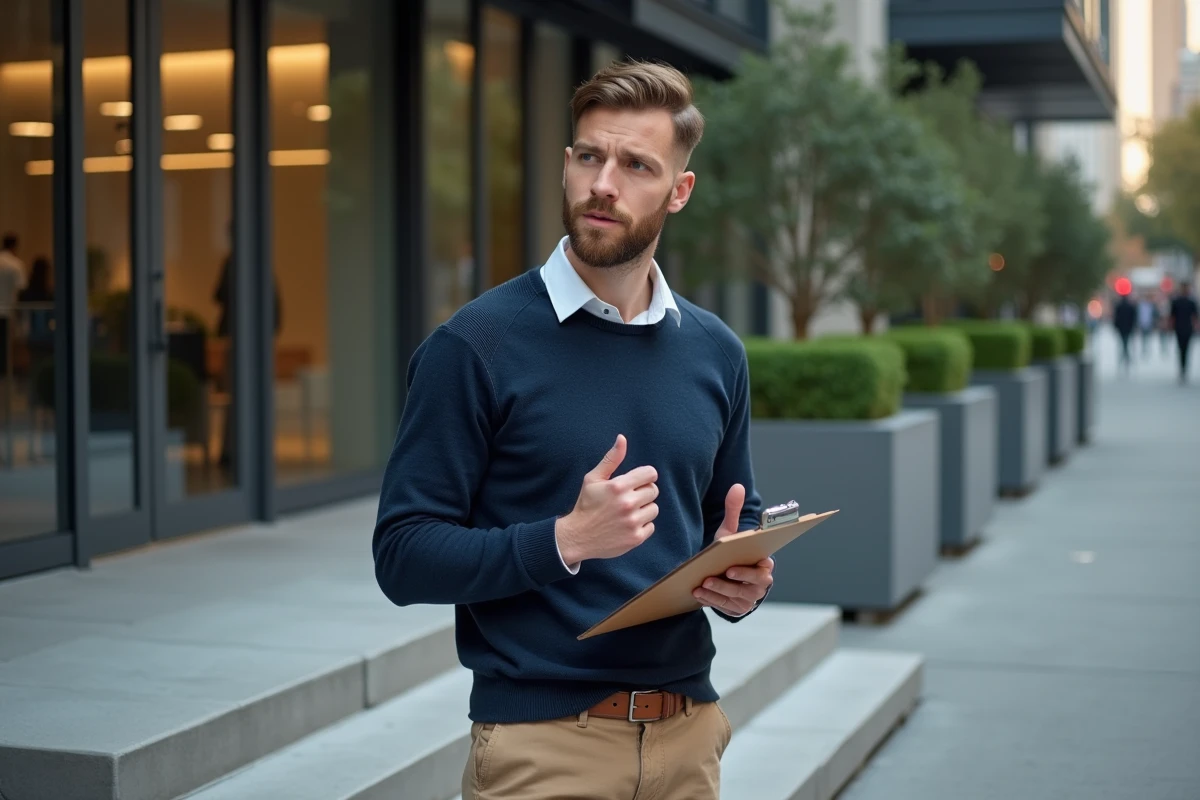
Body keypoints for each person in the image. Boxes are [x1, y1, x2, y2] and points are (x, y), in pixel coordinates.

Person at [372, 60, 773, 799]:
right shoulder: (476, 346)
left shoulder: (716, 351)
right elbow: (401, 556)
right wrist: (563, 541)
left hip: (690, 737)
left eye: (636, 165)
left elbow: (733, 514)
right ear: (566, 165)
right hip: (543, 748)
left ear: (679, 191)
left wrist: (739, 579)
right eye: (590, 156)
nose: (604, 184)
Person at [0, 233, 28, 378]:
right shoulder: (16, 265)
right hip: (7, 309)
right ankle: (5, 373)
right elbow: (21, 288)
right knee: (5, 345)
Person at [1168, 281, 1199, 384]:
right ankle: (1182, 368)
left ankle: (1184, 368)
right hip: (1180, 328)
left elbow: (1195, 316)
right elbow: (1172, 316)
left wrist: (1196, 326)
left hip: (1187, 328)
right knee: (1181, 349)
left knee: (1185, 349)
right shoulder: (1176, 301)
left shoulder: (1191, 302)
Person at [1112, 293, 1136, 373]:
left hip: (1121, 329)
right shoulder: (1130, 306)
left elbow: (1116, 318)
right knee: (1125, 344)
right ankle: (1126, 358)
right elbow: (1133, 319)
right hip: (1128, 329)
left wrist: (1115, 327)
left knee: (1124, 344)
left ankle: (1125, 358)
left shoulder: (1119, 306)